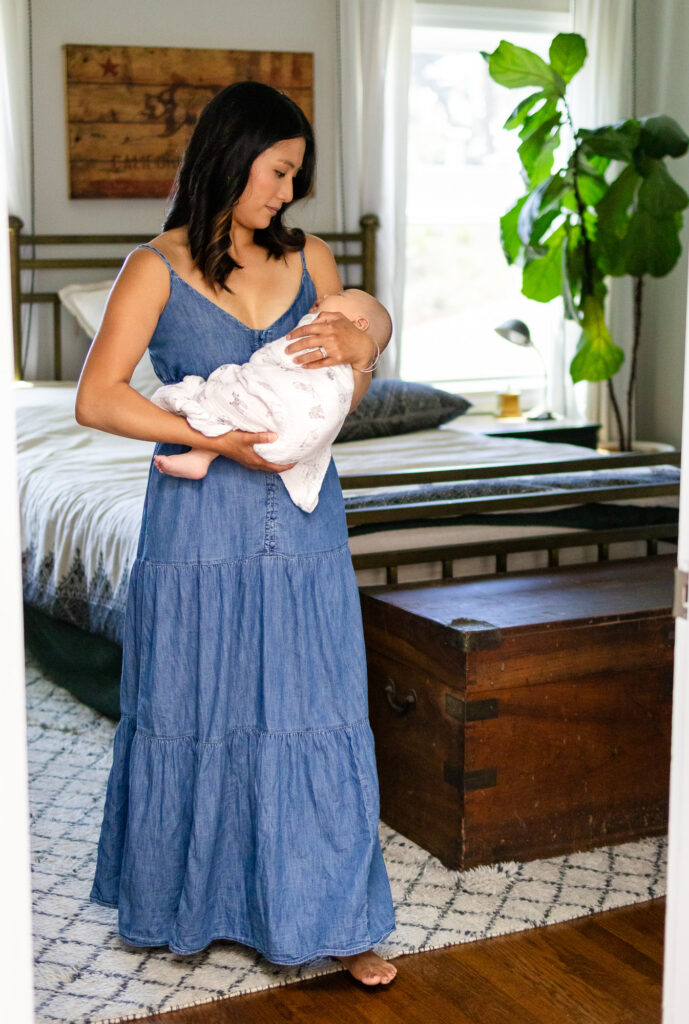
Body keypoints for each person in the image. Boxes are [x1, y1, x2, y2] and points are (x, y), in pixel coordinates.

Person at [74, 80, 398, 986]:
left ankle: (336, 919)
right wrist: (210, 437)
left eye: (296, 176)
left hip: (300, 518)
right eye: (278, 171)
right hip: (198, 523)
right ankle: (195, 902)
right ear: (232, 152)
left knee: (308, 710)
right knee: (198, 704)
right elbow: (99, 398)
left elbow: (345, 389)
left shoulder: (315, 259)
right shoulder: (155, 266)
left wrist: (355, 359)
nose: (287, 192)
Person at [148, 288, 392, 513]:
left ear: (359, 323)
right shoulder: (153, 265)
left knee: (220, 395)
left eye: (340, 293)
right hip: (295, 444)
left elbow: (286, 359)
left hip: (290, 419)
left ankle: (195, 433)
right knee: (244, 413)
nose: (327, 294)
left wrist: (363, 358)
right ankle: (203, 454)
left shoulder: (323, 327)